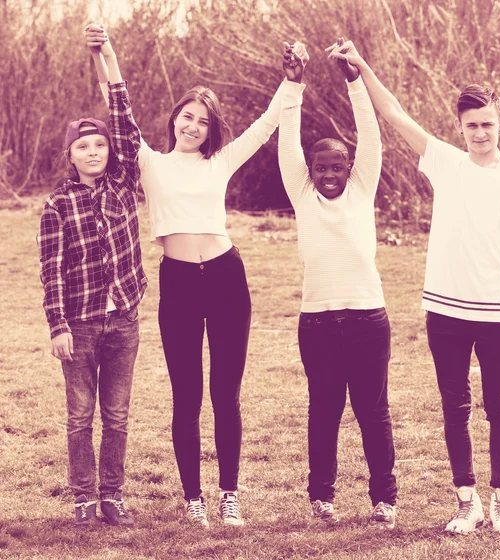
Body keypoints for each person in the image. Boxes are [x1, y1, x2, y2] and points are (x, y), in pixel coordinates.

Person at [327, 40, 500, 534]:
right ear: (461, 127)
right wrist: (360, 66)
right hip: (444, 307)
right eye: (472, 125)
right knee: (455, 405)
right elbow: (396, 113)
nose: (480, 132)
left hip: (496, 309)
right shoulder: (446, 161)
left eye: (488, 123)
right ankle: (466, 501)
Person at [85, 24, 287, 528]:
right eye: (186, 116)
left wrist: (292, 82)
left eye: (201, 121)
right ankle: (193, 496)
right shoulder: (149, 162)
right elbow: (120, 113)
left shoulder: (219, 161)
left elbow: (265, 126)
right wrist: (106, 53)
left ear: (210, 128)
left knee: (226, 392)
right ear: (174, 119)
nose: (192, 126)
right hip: (177, 282)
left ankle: (229, 494)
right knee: (186, 395)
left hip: (226, 278)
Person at [278, 39, 397, 529]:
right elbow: (287, 138)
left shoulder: (363, 187)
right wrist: (293, 82)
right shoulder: (302, 192)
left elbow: (370, 134)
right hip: (319, 322)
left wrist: (353, 79)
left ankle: (385, 499)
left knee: (373, 412)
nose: (329, 173)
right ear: (310, 171)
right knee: (324, 409)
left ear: (350, 168)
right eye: (321, 166)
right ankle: (321, 497)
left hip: (369, 318)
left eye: (337, 166)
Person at [37, 39, 146, 527]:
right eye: (84, 145)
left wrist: (109, 60)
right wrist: (57, 326)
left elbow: (123, 122)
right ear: (70, 155)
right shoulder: (57, 205)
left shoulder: (124, 184)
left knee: (117, 416)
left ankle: (112, 495)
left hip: (123, 319)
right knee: (81, 417)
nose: (95, 151)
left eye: (100, 144)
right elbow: (51, 270)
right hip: (78, 326)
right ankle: (83, 497)